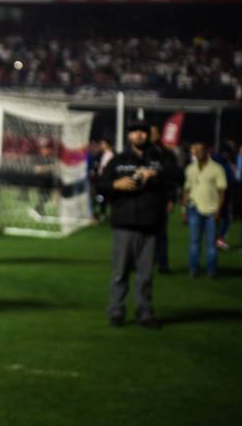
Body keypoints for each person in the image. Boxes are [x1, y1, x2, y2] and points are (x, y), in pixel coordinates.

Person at [97, 120, 175, 329]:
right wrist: (115, 184)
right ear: (129, 136)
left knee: (146, 275)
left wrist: (155, 174)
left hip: (151, 224)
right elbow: (100, 184)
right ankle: (116, 311)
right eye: (134, 132)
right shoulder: (118, 160)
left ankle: (145, 312)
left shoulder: (160, 159)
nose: (139, 135)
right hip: (124, 223)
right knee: (120, 273)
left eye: (142, 132)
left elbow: (178, 176)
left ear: (148, 135)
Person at [184, 142, 228, 278]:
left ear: (207, 150)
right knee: (194, 242)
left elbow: (221, 191)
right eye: (195, 150)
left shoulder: (217, 168)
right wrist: (183, 210)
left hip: (212, 211)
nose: (197, 152)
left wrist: (219, 211)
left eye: (200, 150)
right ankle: (193, 269)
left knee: (211, 244)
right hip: (194, 208)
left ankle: (211, 271)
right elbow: (187, 190)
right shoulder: (190, 168)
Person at [149, 125, 180, 274]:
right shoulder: (140, 152)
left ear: (159, 134)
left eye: (154, 132)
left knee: (161, 233)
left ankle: (163, 264)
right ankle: (144, 261)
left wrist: (171, 199)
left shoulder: (167, 154)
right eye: (150, 132)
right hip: (144, 199)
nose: (152, 135)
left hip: (161, 198)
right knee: (143, 233)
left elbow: (172, 178)